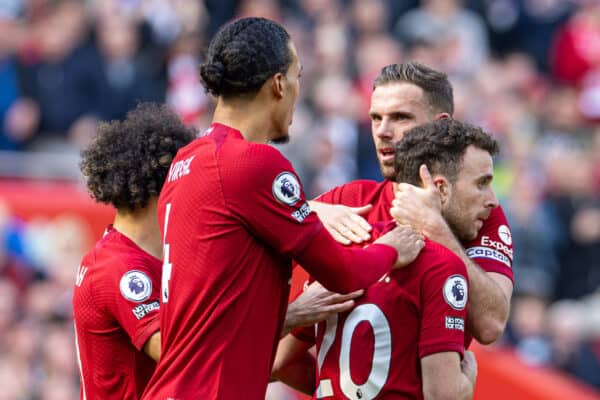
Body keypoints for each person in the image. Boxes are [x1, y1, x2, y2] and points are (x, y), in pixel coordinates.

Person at [142, 17, 423, 400]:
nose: (296, 91)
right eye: (297, 77)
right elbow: (343, 273)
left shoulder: (186, 162)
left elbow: (218, 302)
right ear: (277, 84)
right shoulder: (255, 163)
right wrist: (394, 249)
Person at [274, 119, 498, 399]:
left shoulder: (348, 248)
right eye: (482, 184)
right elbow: (443, 396)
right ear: (440, 188)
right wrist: (467, 382)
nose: (493, 200)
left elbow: (280, 363)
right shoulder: (443, 264)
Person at [305, 62, 514, 345]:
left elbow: (491, 325)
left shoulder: (477, 208)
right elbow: (281, 360)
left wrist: (433, 226)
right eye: (376, 118)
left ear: (440, 124)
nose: (383, 131)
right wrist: (310, 209)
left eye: (400, 117)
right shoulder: (347, 203)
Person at [72, 103, 197, 399]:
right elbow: (177, 353)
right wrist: (288, 318)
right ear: (160, 189)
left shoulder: (143, 258)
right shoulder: (118, 267)